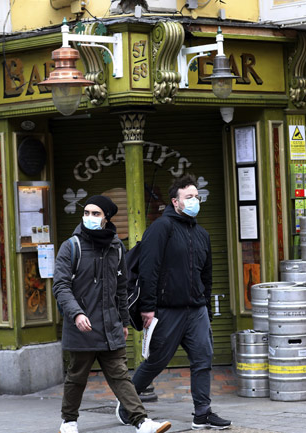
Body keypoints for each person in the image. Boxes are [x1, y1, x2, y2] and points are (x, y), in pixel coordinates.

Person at [116, 175, 232, 430]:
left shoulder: (202, 234)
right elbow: (149, 268)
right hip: (167, 310)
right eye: (188, 197)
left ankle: (202, 413)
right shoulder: (161, 228)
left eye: (197, 197)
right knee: (157, 360)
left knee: (204, 359)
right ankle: (128, 403)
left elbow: (207, 275)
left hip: (196, 310)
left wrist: (207, 310)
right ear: (175, 202)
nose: (194, 201)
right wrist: (147, 307)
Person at [53, 195, 171, 433]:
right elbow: (61, 286)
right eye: (86, 213)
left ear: (106, 218)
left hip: (110, 326)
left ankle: (141, 421)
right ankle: (69, 421)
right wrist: (76, 314)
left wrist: (124, 321)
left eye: (95, 214)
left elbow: (121, 288)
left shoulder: (116, 247)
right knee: (77, 377)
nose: (89, 218)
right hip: (82, 327)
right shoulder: (71, 246)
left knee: (120, 376)